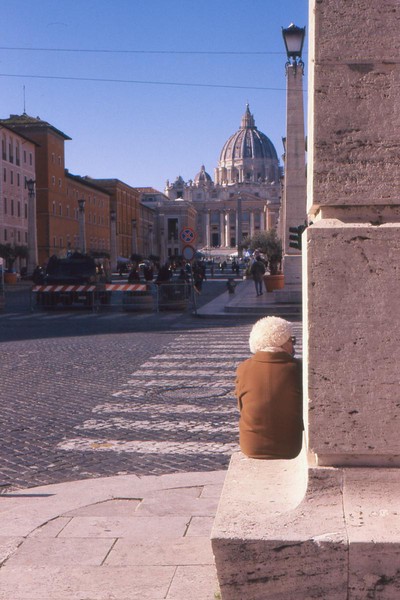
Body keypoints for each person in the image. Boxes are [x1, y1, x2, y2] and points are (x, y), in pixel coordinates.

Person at [235, 316, 303, 459]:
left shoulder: (243, 368)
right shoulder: (298, 368)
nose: (293, 345)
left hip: (251, 446)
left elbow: (241, 407)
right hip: (290, 448)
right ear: (283, 343)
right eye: (292, 340)